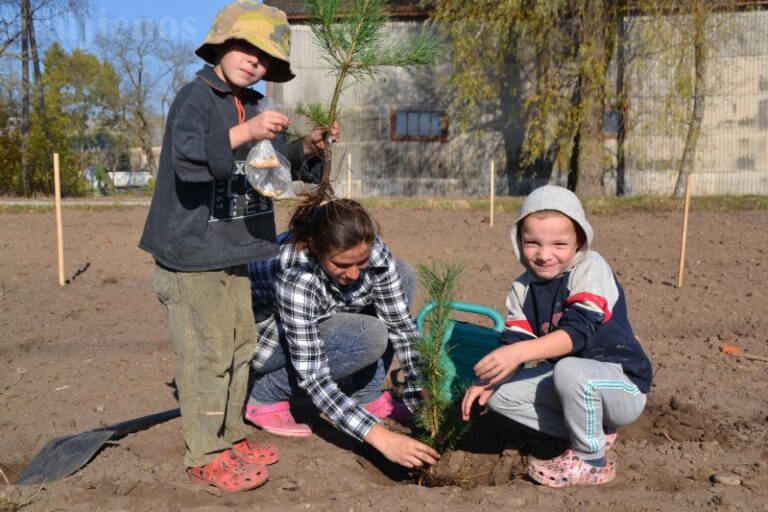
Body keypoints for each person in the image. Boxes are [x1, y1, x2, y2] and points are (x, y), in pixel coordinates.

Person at [138, 1, 338, 492]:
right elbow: (187, 158)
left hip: (233, 251)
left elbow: (265, 164)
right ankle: (205, 453)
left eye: (265, 56)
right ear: (221, 46)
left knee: (239, 347)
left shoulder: (253, 103)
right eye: (245, 47)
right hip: (191, 255)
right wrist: (246, 131)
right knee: (205, 355)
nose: (254, 60)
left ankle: (229, 435)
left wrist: (308, 148)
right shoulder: (195, 97)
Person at [461, 185, 652, 488]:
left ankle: (591, 461)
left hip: (622, 385)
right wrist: (491, 379)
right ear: (518, 241)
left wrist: (519, 354)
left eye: (559, 244)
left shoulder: (591, 268)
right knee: (500, 397)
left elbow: (577, 334)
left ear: (579, 241)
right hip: (573, 380)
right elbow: (515, 342)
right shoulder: (522, 288)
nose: (544, 254)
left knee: (569, 368)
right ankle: (592, 433)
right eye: (532, 243)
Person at [244, 197, 440, 469]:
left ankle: (367, 396)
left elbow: (402, 327)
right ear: (314, 246)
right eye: (342, 265)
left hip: (314, 308)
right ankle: (265, 394)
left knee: (402, 273)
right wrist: (381, 437)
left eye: (361, 262)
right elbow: (314, 377)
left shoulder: (368, 250)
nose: (355, 274)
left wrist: (422, 391)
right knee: (369, 336)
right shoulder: (296, 276)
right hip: (258, 340)